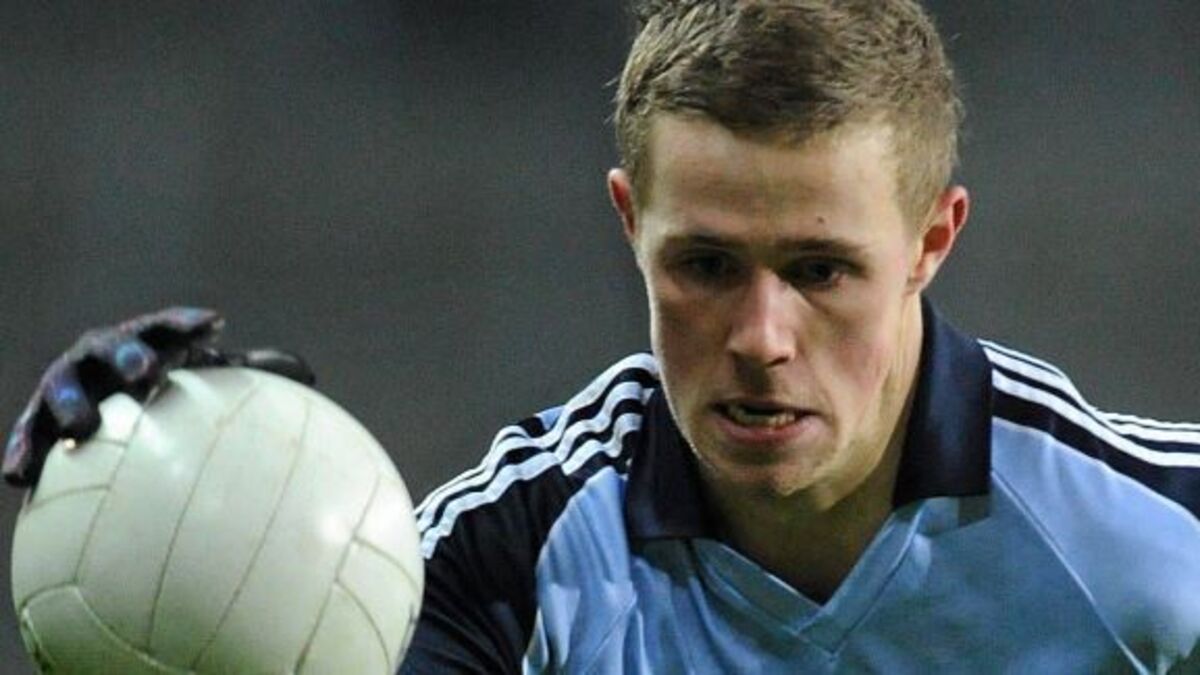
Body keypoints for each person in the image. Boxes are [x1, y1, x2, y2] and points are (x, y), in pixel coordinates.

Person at [7, 1, 1199, 672]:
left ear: (932, 241)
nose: (761, 337)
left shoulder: (1150, 533)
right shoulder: (509, 558)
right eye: (706, 267)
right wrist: (160, 532)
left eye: (822, 271)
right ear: (631, 224)